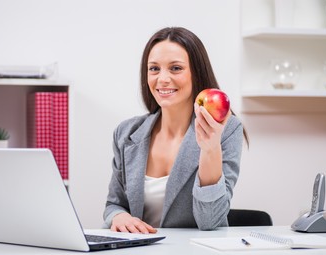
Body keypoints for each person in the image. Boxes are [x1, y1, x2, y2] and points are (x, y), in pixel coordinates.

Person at [103, 27, 248, 234]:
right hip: (136, 254)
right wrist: (119, 216)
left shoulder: (226, 129)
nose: (162, 79)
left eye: (175, 68)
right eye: (154, 69)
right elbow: (113, 205)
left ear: (196, 72)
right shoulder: (126, 132)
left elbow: (210, 220)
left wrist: (210, 149)